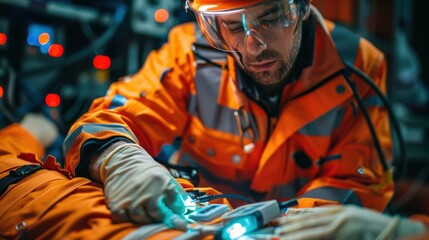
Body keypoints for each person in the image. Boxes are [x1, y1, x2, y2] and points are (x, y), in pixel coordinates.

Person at [64, 0, 394, 225]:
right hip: (200, 226)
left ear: (302, 7)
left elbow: (361, 180)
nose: (254, 46)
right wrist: (119, 159)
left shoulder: (358, 64)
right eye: (234, 26)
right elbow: (109, 118)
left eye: (269, 18)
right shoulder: (190, 53)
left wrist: (289, 223)